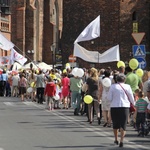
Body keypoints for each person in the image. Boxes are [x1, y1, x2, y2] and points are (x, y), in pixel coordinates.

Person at [107, 74, 135, 148]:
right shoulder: (127, 86)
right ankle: (122, 140)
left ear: (116, 79)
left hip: (114, 106)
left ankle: (116, 139)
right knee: (123, 124)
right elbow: (131, 96)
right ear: (124, 80)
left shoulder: (113, 86)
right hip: (125, 106)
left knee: (115, 124)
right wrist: (134, 103)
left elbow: (109, 98)